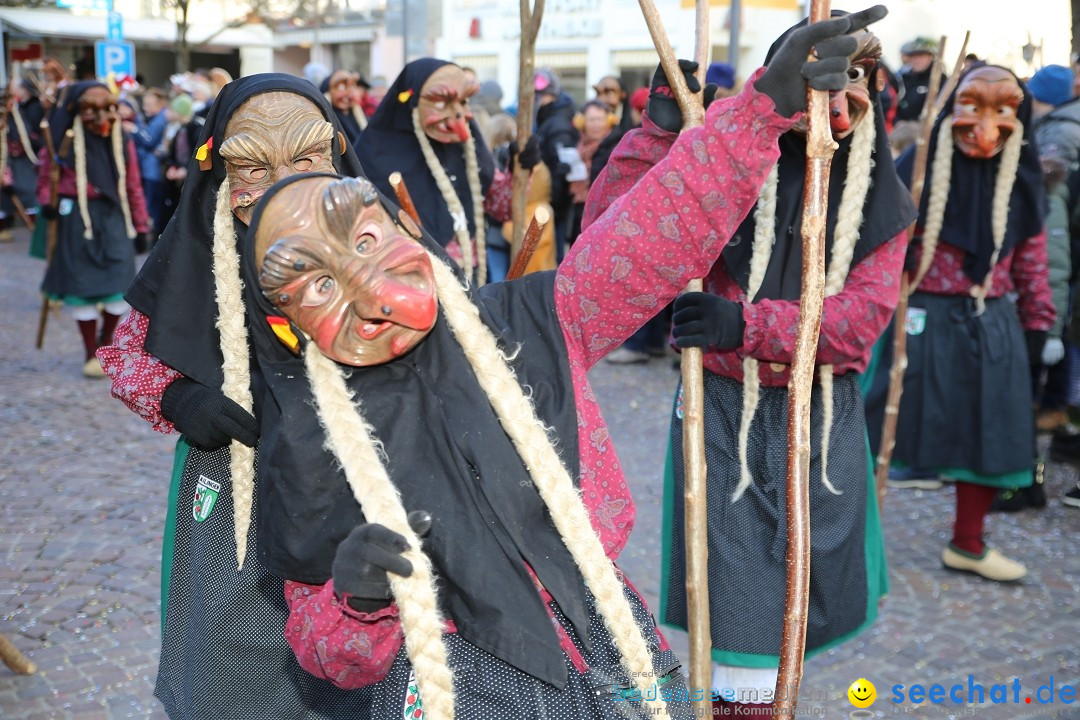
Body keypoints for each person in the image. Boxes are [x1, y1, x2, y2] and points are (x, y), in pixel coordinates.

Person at [234, 12, 871, 711]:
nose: (369, 293)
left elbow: (652, 232)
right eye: (318, 284)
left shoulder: (526, 322)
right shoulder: (304, 443)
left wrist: (762, 107)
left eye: (363, 240)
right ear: (285, 320)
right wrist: (354, 603)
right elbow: (327, 654)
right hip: (454, 686)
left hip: (606, 641)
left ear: (397, 228)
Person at [586, 9, 903, 713]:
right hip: (723, 417)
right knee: (739, 619)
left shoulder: (884, 198)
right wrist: (660, 137)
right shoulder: (728, 159)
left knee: (796, 605)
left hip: (817, 421)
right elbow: (614, 243)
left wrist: (747, 325)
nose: (836, 105)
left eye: (857, 84)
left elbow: (857, 326)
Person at [97, 74, 372, 719]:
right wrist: (181, 398)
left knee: (363, 648)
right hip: (232, 486)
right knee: (230, 661)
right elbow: (127, 355)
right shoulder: (196, 247)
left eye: (306, 158)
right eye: (252, 164)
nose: (281, 183)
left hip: (362, 483)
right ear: (220, 171)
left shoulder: (381, 241)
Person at [870, 64, 1052, 580]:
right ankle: (848, 549)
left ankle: (967, 544)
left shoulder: (1024, 177)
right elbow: (879, 244)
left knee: (990, 431)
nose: (988, 129)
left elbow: (1032, 259)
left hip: (990, 318)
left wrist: (1039, 328)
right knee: (875, 431)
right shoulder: (919, 165)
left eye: (1003, 111)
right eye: (973, 108)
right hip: (918, 316)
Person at [356, 58, 530, 285]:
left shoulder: (468, 146)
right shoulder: (375, 154)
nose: (458, 114)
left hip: (472, 276)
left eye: (463, 101)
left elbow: (502, 206)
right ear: (412, 100)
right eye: (442, 102)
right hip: (411, 280)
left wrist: (520, 169)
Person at [36, 81, 150, 378]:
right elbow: (47, 174)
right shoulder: (61, 138)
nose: (102, 117)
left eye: (108, 108)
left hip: (114, 217)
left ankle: (106, 339)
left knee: (118, 287)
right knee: (82, 288)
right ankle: (90, 351)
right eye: (92, 109)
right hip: (76, 219)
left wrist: (140, 226)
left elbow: (133, 184)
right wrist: (48, 202)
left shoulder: (121, 139)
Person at [1, 69, 45, 242]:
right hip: (6, 162)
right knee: (4, 198)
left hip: (22, 160)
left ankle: (32, 225)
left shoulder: (19, 113)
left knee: (28, 191)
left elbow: (26, 133)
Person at [895, 37, 947, 122]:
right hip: (901, 128)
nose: (916, 60)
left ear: (930, 56)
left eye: (921, 56)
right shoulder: (903, 78)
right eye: (913, 56)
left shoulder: (940, 79)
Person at [320, 68, 366, 147]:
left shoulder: (359, 116)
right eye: (341, 87)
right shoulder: (325, 120)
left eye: (351, 87)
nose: (348, 94)